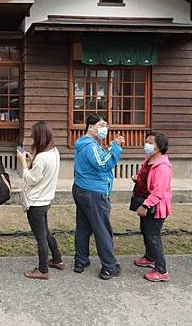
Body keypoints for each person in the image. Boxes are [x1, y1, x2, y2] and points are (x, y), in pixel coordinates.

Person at [72, 114, 124, 279]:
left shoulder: (84, 144)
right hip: (94, 193)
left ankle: (81, 261)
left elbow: (98, 159)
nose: (105, 129)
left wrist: (110, 147)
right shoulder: (90, 145)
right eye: (101, 125)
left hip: (81, 188)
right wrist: (115, 147)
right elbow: (102, 164)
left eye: (106, 125)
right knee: (102, 230)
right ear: (90, 127)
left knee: (83, 227)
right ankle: (109, 266)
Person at [17, 121, 64, 280]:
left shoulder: (42, 157)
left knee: (40, 237)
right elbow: (41, 173)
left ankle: (43, 270)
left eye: (32, 136)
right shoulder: (54, 152)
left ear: (39, 137)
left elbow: (30, 179)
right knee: (45, 231)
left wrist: (23, 163)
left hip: (36, 202)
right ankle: (57, 259)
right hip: (46, 199)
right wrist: (32, 160)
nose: (31, 138)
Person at [131, 132, 173, 282]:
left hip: (155, 207)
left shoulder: (163, 167)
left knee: (153, 236)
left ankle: (162, 270)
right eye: (146, 141)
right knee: (146, 231)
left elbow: (159, 191)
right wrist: (138, 179)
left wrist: (145, 205)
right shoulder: (149, 159)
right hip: (145, 200)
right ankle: (150, 257)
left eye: (150, 142)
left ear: (159, 146)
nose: (146, 145)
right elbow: (147, 179)